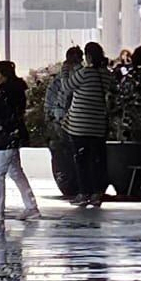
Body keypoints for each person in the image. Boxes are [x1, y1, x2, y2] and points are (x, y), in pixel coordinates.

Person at [0, 60, 40, 222]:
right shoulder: (15, 90)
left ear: (3, 75)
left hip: (6, 135)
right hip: (12, 135)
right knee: (15, 172)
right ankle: (31, 207)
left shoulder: (8, 92)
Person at [62, 41, 115, 208]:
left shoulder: (85, 73)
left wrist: (65, 71)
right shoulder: (106, 74)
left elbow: (67, 87)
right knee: (96, 161)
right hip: (98, 125)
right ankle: (97, 193)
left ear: (89, 56)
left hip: (80, 125)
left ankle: (84, 193)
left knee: (81, 161)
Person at [45, 46, 83, 193]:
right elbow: (50, 102)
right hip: (65, 122)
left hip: (68, 122)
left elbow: (49, 103)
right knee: (65, 153)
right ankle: (69, 184)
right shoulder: (61, 80)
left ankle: (70, 184)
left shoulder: (76, 77)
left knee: (67, 154)